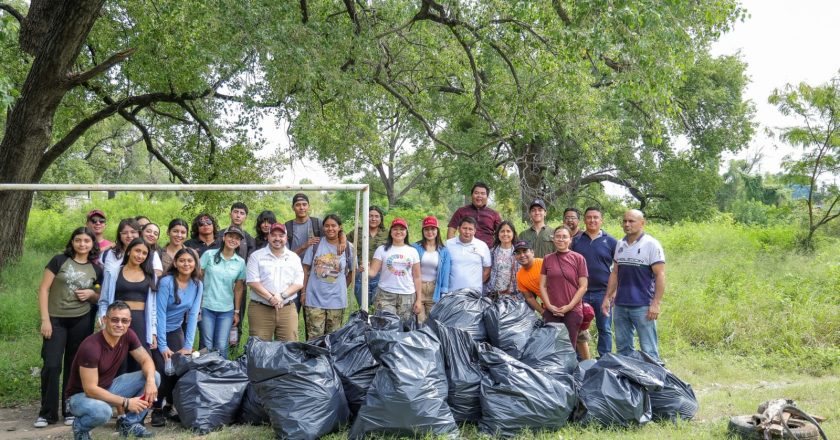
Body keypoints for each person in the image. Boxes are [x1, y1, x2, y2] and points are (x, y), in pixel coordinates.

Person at [34, 228, 103, 429]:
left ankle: (70, 409)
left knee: (75, 366)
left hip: (81, 320)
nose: (82, 244)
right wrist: (45, 319)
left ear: (92, 244)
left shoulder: (96, 269)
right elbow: (44, 289)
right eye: (78, 240)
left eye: (86, 241)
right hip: (55, 320)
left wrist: (91, 294)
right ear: (72, 242)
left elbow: (101, 297)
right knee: (52, 365)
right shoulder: (58, 260)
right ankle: (47, 413)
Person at [65, 301, 160, 440]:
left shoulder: (128, 335)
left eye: (124, 321)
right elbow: (90, 389)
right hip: (80, 397)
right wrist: (127, 402)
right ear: (105, 320)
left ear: (129, 322)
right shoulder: (91, 347)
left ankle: (130, 424)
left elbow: (146, 360)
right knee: (103, 412)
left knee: (154, 376)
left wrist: (151, 381)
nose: (120, 325)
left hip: (107, 388)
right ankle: (80, 427)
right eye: (114, 319)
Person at [602, 209, 666, 361]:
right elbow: (615, 273)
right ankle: (628, 382)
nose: (627, 224)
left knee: (649, 349)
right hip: (620, 305)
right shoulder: (620, 244)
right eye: (624, 221)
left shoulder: (651, 244)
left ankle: (653, 381)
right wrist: (607, 297)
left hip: (643, 306)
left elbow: (660, 275)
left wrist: (656, 303)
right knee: (623, 349)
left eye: (631, 221)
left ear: (642, 223)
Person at [151, 248, 202, 427]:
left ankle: (169, 407)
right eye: (182, 260)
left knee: (179, 367)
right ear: (175, 263)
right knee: (161, 368)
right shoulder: (166, 282)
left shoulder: (197, 285)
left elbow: (193, 315)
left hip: (176, 330)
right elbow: (160, 314)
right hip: (158, 330)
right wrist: (163, 347)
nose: (186, 264)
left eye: (190, 260)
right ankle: (156, 409)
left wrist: (188, 345)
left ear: (195, 263)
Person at [98, 238, 158, 373]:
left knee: (140, 363)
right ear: (129, 250)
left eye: (144, 253)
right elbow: (103, 300)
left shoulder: (150, 275)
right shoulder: (114, 272)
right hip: (117, 322)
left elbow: (153, 306)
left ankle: (140, 394)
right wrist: (103, 318)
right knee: (118, 361)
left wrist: (153, 331)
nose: (140, 255)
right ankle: (116, 393)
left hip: (140, 322)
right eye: (137, 251)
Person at [571, 206, 618, 358]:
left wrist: (613, 293)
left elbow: (618, 270)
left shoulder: (611, 242)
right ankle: (581, 359)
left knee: (604, 327)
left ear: (601, 220)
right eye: (589, 217)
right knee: (578, 327)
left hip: (603, 293)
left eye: (595, 217)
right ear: (584, 220)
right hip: (580, 292)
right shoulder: (576, 241)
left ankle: (605, 359)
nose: (592, 220)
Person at [246, 223, 304, 342]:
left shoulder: (294, 258)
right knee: (259, 350)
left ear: (286, 238)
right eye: (274, 235)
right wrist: (271, 298)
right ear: (268, 236)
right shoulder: (256, 256)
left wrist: (282, 296)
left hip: (287, 309)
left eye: (281, 235)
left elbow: (298, 283)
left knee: (289, 350)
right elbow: (253, 281)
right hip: (260, 309)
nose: (277, 238)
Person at [302, 214, 354, 339]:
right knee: (315, 339)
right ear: (323, 227)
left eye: (333, 226)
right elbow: (305, 268)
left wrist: (341, 286)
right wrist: (303, 293)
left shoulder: (348, 247)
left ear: (339, 227)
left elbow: (353, 271)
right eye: (327, 226)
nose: (330, 229)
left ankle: (329, 359)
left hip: (336, 301)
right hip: (314, 299)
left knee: (334, 339)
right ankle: (315, 359)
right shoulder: (316, 244)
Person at [199, 226, 246, 359]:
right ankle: (202, 372)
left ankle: (221, 375)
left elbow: (238, 288)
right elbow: (197, 277)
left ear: (239, 242)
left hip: (226, 309)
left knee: (221, 345)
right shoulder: (209, 255)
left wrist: (236, 312)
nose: (233, 240)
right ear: (224, 237)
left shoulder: (240, 262)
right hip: (206, 306)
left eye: (237, 238)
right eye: (230, 236)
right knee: (206, 344)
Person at [539, 226, 589, 347]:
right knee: (551, 346)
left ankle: (570, 366)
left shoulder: (578, 258)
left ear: (570, 239)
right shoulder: (547, 259)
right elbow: (542, 286)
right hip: (552, 310)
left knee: (569, 346)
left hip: (573, 310)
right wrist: (549, 306)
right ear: (553, 239)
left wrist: (569, 306)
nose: (561, 239)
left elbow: (583, 286)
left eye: (564, 237)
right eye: (558, 236)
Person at [368, 218, 422, 322]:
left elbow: (417, 276)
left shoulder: (413, 251)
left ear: (406, 232)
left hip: (407, 295)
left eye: (402, 229)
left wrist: (419, 300)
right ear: (390, 232)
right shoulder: (382, 249)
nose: (398, 232)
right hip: (385, 294)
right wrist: (365, 268)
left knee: (404, 327)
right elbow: (372, 273)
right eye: (395, 229)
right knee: (386, 326)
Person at [410, 216, 451, 322]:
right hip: (418, 288)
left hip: (434, 288)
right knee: (419, 321)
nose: (430, 232)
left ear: (437, 230)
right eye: (426, 229)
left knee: (432, 321)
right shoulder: (415, 247)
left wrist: (444, 292)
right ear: (423, 231)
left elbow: (445, 273)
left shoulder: (444, 251)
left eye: (433, 229)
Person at [348, 205, 388, 308]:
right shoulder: (358, 231)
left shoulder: (386, 233)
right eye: (370, 216)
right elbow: (344, 241)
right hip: (360, 274)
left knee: (378, 308)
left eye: (376, 216)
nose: (373, 219)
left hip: (381, 275)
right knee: (364, 308)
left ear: (381, 218)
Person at [446, 182, 502, 249]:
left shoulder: (494, 214)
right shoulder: (461, 211)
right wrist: (452, 248)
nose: (479, 196)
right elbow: (451, 230)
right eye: (476, 193)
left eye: (483, 193)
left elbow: (501, 233)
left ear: (487, 197)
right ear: (471, 195)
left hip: (488, 250)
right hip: (464, 249)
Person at [446, 217, 492, 292]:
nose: (467, 232)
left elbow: (487, 269)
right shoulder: (448, 244)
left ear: (475, 231)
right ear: (458, 229)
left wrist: (476, 284)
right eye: (464, 228)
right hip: (452, 293)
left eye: (470, 229)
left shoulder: (482, 246)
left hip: (474, 294)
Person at [486, 221, 519, 298]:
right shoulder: (492, 252)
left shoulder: (519, 253)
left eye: (508, 231)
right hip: (494, 294)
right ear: (498, 234)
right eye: (502, 231)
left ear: (513, 234)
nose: (505, 234)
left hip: (513, 295)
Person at [512, 240, 544, 314]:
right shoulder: (519, 276)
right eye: (518, 253)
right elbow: (529, 297)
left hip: (567, 302)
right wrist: (542, 312)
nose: (522, 255)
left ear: (532, 252)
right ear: (515, 256)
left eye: (525, 251)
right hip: (548, 307)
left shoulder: (543, 263)